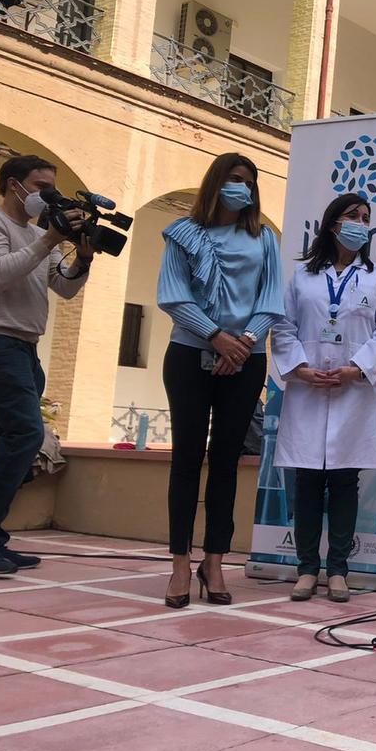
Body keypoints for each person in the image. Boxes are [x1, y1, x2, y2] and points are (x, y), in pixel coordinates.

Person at [157, 152, 283, 608]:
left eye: (248, 182)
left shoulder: (264, 239)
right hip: (190, 353)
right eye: (234, 179)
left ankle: (214, 562)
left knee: (227, 462)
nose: (242, 188)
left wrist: (243, 342)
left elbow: (272, 299)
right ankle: (178, 564)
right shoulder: (183, 234)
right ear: (216, 182)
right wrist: (214, 336)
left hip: (246, 358)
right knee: (186, 460)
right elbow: (172, 295)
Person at [272, 193, 376, 603]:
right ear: (332, 224)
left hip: (352, 391)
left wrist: (356, 369)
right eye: (353, 216)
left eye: (366, 217)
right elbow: (284, 328)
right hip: (309, 388)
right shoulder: (303, 277)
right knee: (308, 481)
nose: (361, 223)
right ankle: (307, 569)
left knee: (345, 481)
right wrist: (301, 370)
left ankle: (338, 570)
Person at [0, 156, 96, 576]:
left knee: (1, 440)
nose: (45, 194)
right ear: (13, 185)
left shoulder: (38, 234)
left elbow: (64, 288)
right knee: (26, 435)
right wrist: (48, 241)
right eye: (39, 186)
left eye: (50, 187)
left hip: (25, 347)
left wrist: (82, 260)